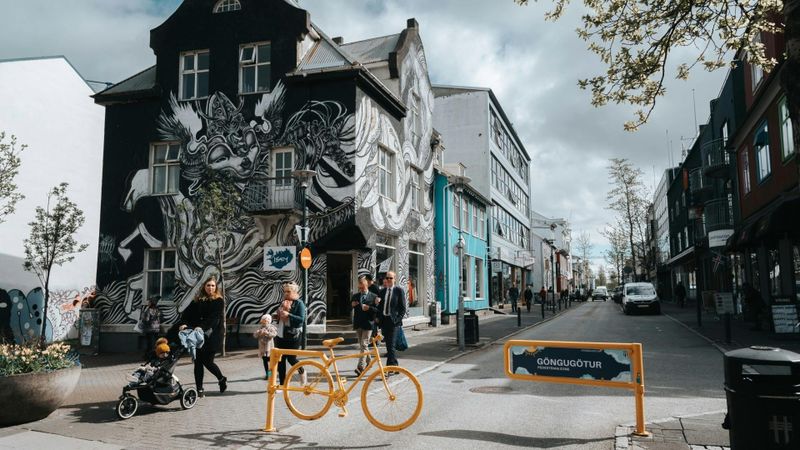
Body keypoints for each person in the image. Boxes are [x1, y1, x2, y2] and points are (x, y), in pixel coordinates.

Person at [178, 275, 227, 397]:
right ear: (204, 287)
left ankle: (221, 379)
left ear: (216, 288)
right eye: (208, 285)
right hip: (197, 335)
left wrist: (202, 327)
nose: (210, 288)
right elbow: (187, 313)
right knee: (198, 362)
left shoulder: (219, 301)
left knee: (208, 361)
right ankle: (199, 389)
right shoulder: (198, 300)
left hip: (212, 335)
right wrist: (184, 323)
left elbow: (214, 318)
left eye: (212, 285)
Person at [274, 281, 307, 385]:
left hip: (293, 335)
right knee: (280, 360)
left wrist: (289, 314)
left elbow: (301, 319)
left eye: (288, 291)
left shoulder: (299, 303)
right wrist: (277, 316)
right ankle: (282, 384)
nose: (286, 293)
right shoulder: (283, 302)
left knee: (292, 359)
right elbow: (280, 317)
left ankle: (302, 371)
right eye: (285, 291)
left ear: (294, 291)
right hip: (280, 334)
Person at [375, 271, 406, 367]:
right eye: (387, 278)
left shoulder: (399, 291)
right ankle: (395, 365)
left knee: (391, 346)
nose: (388, 280)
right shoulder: (382, 291)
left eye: (390, 278)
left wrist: (397, 320)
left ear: (394, 279)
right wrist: (377, 303)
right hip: (384, 322)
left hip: (394, 322)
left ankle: (389, 369)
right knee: (389, 346)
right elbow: (379, 308)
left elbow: (403, 308)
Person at [351, 275, 378, 375]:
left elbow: (376, 311)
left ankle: (360, 367)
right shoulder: (355, 296)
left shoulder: (373, 296)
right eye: (360, 288)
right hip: (358, 324)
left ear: (367, 285)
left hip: (368, 324)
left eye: (363, 287)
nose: (361, 289)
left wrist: (369, 308)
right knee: (363, 346)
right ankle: (369, 361)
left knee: (364, 344)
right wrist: (352, 305)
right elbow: (351, 306)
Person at [253, 313, 277, 380]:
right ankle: (267, 375)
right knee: (265, 362)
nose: (263, 322)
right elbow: (255, 335)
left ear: (268, 321)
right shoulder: (261, 328)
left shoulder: (271, 327)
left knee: (270, 363)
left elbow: (274, 334)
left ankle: (271, 374)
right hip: (263, 349)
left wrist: (267, 333)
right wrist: (258, 333)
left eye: (265, 321)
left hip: (269, 349)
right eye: (262, 321)